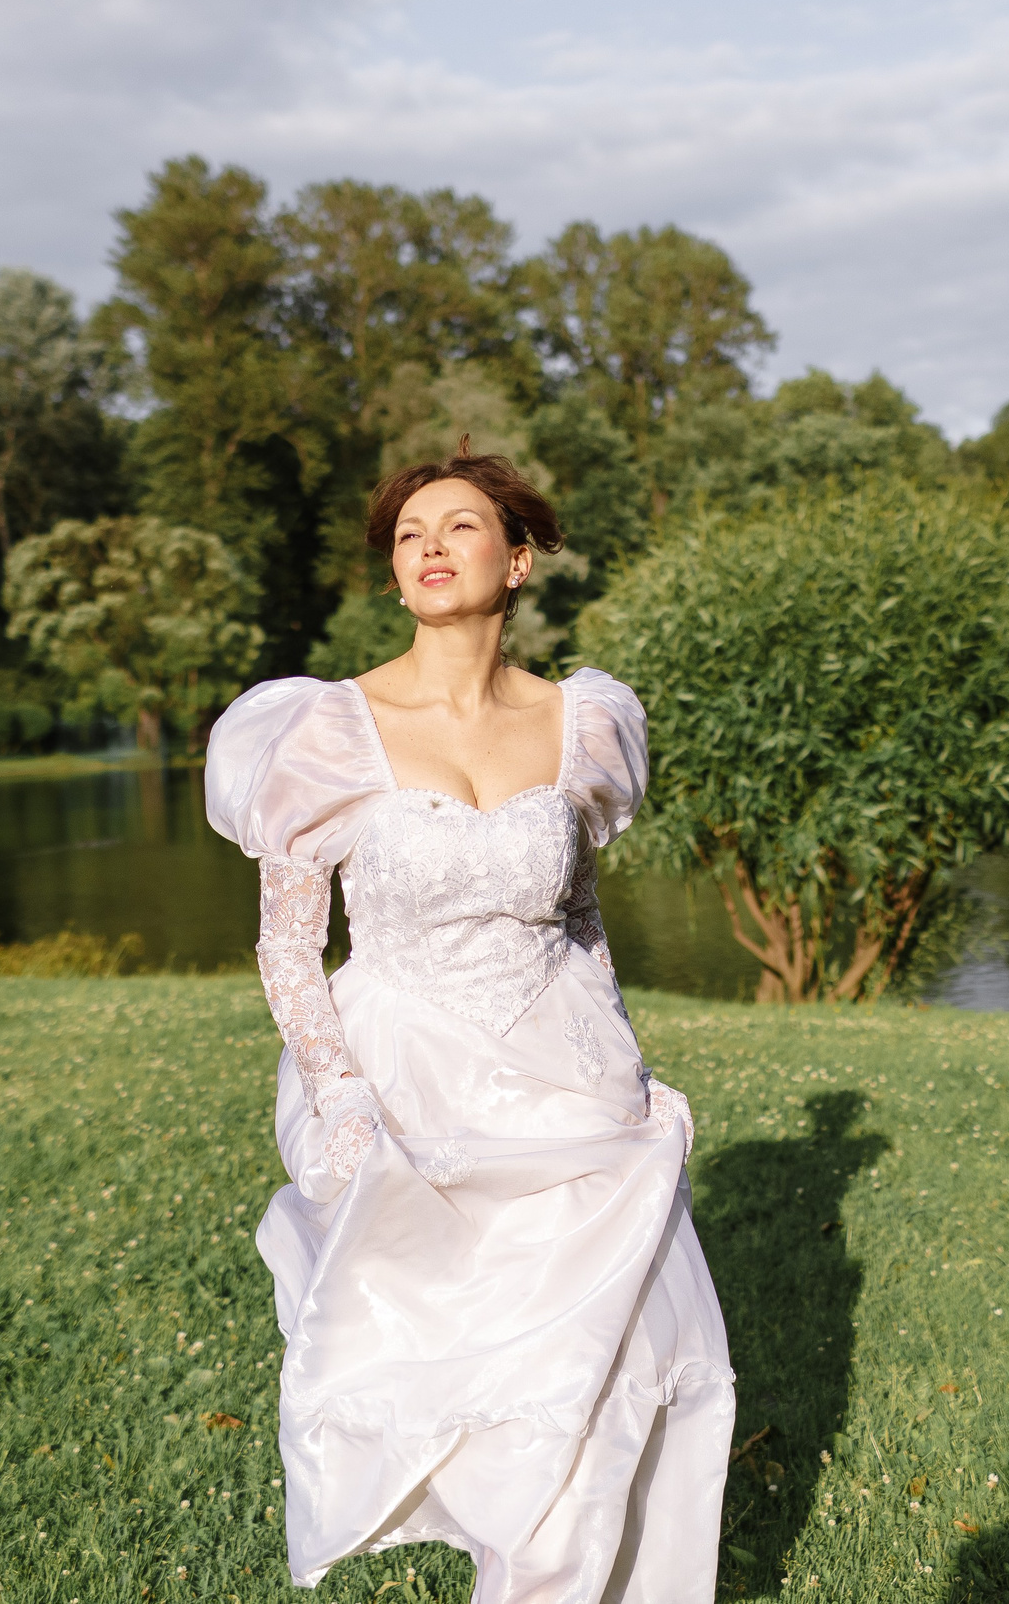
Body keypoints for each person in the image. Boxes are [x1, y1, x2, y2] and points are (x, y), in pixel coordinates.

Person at [204, 445, 735, 1600]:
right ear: (396, 578)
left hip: (569, 1078)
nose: (431, 547)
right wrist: (341, 1098)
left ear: (519, 557)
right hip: (410, 1079)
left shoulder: (582, 723)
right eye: (408, 535)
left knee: (599, 1387)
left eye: (458, 526)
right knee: (468, 1395)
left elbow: (581, 919)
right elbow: (289, 945)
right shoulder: (321, 732)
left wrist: (631, 1070)